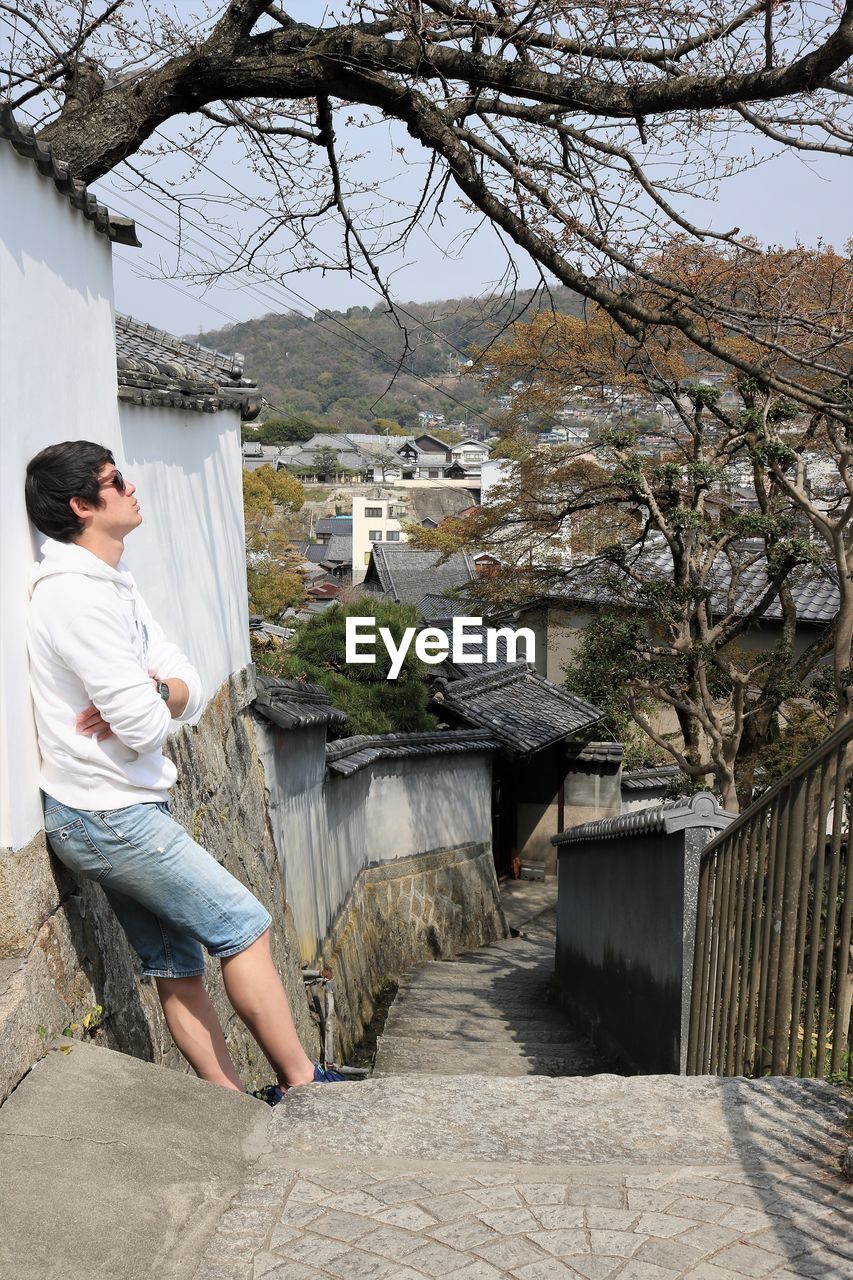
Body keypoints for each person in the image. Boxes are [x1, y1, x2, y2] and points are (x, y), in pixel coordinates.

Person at [25, 439, 342, 1102]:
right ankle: (304, 1084)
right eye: (115, 481)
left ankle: (228, 1106)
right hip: (108, 815)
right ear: (83, 504)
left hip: (116, 809)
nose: (131, 486)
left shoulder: (113, 583)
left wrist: (156, 690)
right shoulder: (76, 599)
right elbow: (142, 729)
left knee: (175, 963)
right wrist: (153, 697)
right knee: (245, 924)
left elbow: (188, 684)